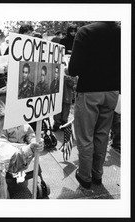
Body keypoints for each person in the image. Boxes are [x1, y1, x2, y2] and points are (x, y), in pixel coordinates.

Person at [68, 22, 120, 189]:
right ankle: (97, 174)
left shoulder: (86, 31)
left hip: (89, 90)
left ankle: (85, 176)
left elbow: (73, 68)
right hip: (112, 91)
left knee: (85, 136)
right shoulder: (123, 32)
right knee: (102, 135)